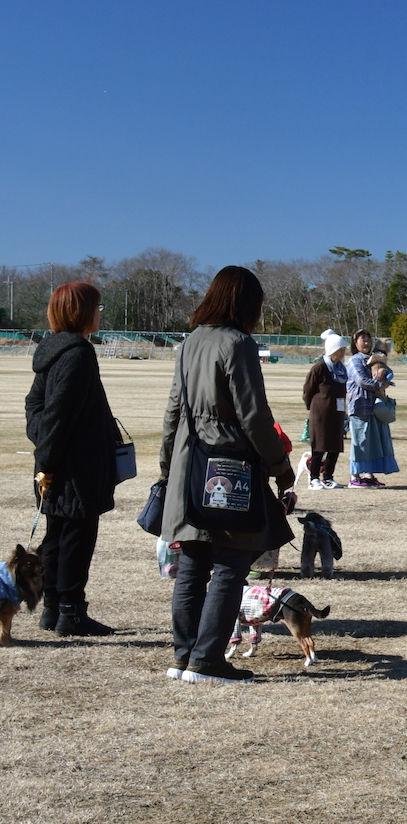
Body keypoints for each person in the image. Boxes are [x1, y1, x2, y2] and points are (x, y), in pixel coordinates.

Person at [160, 266, 296, 683]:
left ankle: (183, 657)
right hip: (228, 465)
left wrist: (169, 466)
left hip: (189, 461)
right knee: (231, 563)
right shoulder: (238, 345)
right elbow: (253, 416)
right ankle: (208, 659)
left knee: (193, 564)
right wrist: (279, 465)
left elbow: (172, 412)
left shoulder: (189, 343)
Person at [24, 282, 121, 635]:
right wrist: (48, 458)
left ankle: (52, 609)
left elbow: (35, 407)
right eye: (97, 306)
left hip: (58, 462)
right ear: (81, 311)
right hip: (75, 467)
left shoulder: (52, 350)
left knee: (58, 536)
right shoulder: (77, 353)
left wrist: (44, 451)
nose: (100, 313)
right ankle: (71, 612)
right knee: (76, 538)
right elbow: (55, 415)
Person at [346, 329, 398, 487]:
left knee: (372, 443)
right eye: (363, 340)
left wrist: (384, 371)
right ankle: (355, 477)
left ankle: (368, 475)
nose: (366, 343)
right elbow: (361, 380)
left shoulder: (374, 358)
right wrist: (381, 385)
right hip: (360, 407)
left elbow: (390, 373)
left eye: (368, 340)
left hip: (373, 408)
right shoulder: (354, 360)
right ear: (355, 343)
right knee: (360, 443)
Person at [302, 333, 348, 489]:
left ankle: (328, 477)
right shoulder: (319, 368)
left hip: (337, 413)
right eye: (341, 349)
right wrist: (315, 408)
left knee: (335, 446)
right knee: (319, 446)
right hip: (320, 414)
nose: (343, 352)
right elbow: (308, 391)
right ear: (332, 351)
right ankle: (314, 478)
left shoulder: (341, 369)